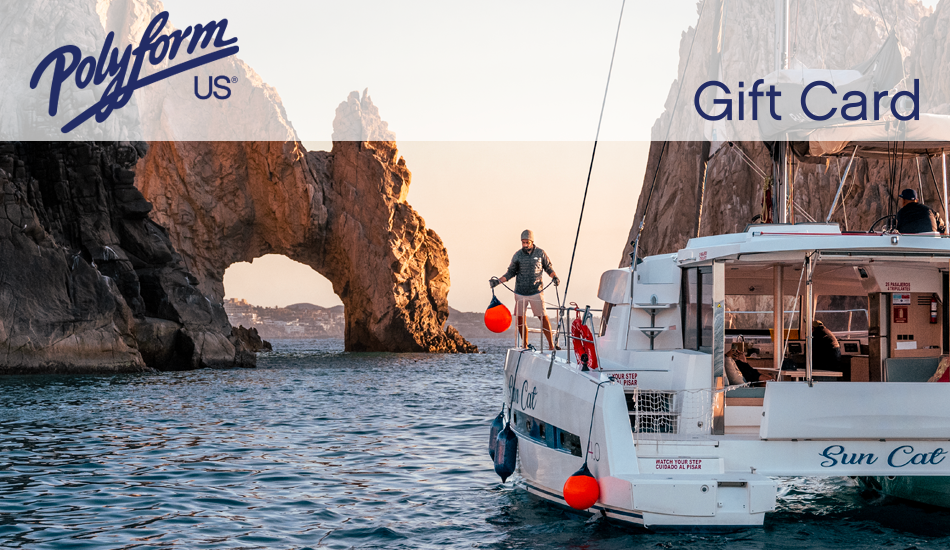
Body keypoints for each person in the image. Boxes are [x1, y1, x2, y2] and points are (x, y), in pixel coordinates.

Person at [491, 230, 560, 350]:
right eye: (523, 243)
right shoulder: (517, 255)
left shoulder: (540, 253)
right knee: (520, 319)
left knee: (543, 317)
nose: (525, 245)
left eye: (527, 242)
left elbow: (548, 268)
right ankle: (525, 345)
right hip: (520, 292)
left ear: (532, 242)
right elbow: (510, 272)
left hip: (536, 291)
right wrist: (498, 282)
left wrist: (554, 277)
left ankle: (551, 346)